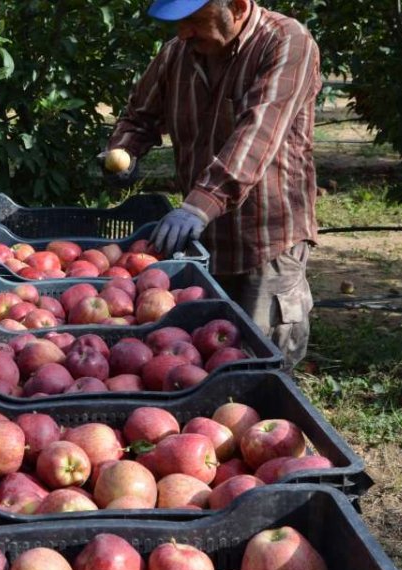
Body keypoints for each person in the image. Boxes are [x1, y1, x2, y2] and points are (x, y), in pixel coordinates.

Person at [99, 0, 321, 369]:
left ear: (235, 6)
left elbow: (258, 133)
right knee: (199, 363)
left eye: (195, 21)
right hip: (201, 243)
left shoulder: (285, 43)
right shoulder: (178, 53)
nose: (184, 33)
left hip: (264, 239)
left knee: (259, 365)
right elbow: (140, 116)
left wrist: (200, 203)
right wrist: (123, 149)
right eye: (178, 24)